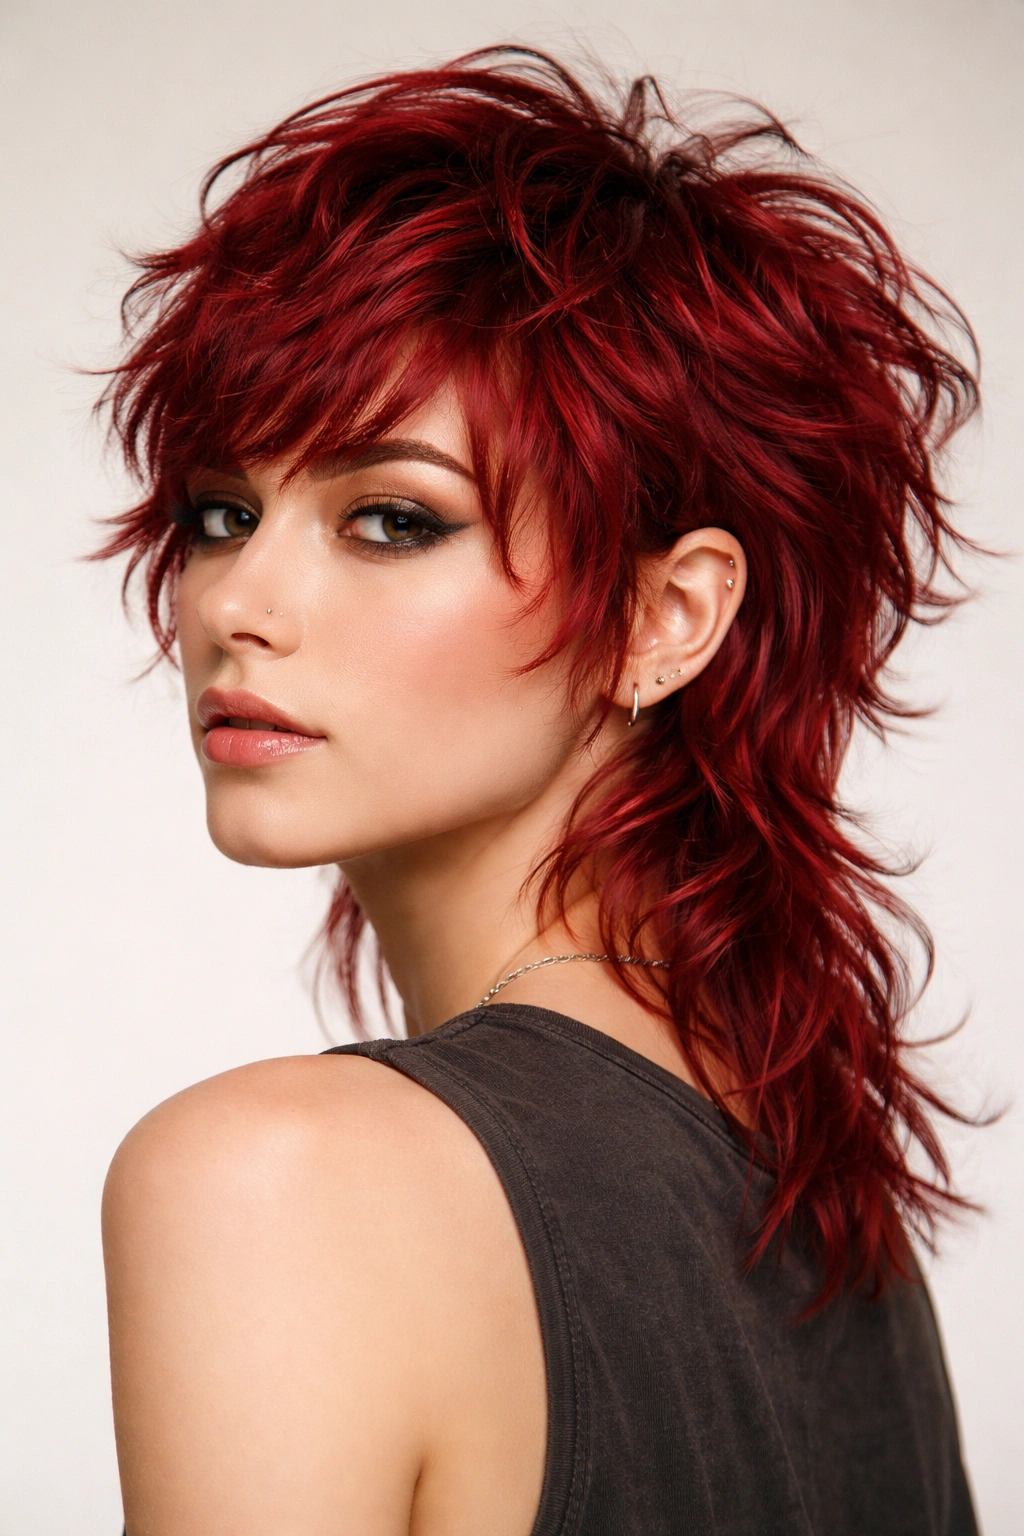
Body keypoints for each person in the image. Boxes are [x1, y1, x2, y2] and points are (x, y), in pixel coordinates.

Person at [98, 47, 980, 1535]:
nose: (240, 600)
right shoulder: (829, 1209)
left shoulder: (278, 1185)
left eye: (391, 518)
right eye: (221, 510)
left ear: (665, 619)